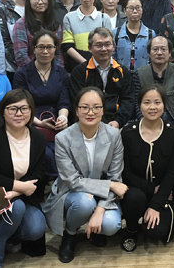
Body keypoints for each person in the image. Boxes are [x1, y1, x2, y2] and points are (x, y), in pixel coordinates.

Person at [43, 87, 125, 262]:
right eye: (85, 107)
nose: (90, 112)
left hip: (102, 194)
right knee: (84, 203)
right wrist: (110, 185)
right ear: (76, 110)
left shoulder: (114, 135)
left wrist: (100, 210)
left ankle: (95, 229)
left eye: (96, 107)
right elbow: (73, 181)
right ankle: (70, 234)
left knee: (111, 225)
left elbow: (115, 177)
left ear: (103, 110)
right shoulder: (63, 138)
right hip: (72, 192)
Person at [0, 89, 47, 268]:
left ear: (31, 111)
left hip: (21, 194)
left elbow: (38, 174)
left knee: (36, 228)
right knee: (15, 208)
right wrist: (20, 187)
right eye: (13, 109)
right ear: (3, 112)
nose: (19, 114)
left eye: (24, 109)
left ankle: (5, 235)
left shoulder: (38, 137)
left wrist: (15, 192)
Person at [120, 85, 174, 251]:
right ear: (139, 105)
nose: (152, 107)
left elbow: (172, 172)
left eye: (157, 102)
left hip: (163, 194)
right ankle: (131, 230)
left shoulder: (173, 133)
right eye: (147, 102)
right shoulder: (128, 133)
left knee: (156, 232)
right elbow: (125, 172)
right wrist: (150, 188)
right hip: (137, 192)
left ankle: (161, 220)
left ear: (164, 105)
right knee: (133, 197)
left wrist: (156, 204)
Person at [13, 30, 71, 179]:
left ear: (55, 49)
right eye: (41, 47)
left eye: (49, 47)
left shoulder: (62, 73)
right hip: (29, 121)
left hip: (56, 121)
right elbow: (19, 105)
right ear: (34, 49)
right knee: (44, 153)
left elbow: (64, 101)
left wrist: (63, 118)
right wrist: (39, 123)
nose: (45, 51)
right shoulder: (22, 74)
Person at [69, 27, 134, 128]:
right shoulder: (80, 72)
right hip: (87, 123)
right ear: (90, 48)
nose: (104, 49)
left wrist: (117, 121)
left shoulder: (123, 71)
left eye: (107, 44)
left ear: (113, 46)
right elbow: (77, 102)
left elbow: (128, 101)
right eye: (99, 45)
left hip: (116, 124)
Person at [133, 36, 174, 125]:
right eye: (155, 49)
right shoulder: (139, 74)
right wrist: (145, 124)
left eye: (163, 49)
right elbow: (137, 104)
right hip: (148, 121)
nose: (159, 53)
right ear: (149, 53)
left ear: (170, 53)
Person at [61, 0, 110, 72]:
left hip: (100, 66)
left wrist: (95, 64)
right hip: (76, 67)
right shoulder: (69, 17)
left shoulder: (104, 18)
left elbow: (108, 45)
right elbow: (67, 46)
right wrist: (86, 63)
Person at [12, 0, 64, 68]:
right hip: (28, 72)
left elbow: (59, 54)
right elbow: (21, 56)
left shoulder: (55, 25)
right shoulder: (21, 24)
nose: (40, 2)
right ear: (29, 1)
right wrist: (38, 73)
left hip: (53, 72)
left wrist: (55, 72)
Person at [0, 0, 34, 80]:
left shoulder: (38, 7)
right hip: (13, 68)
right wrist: (23, 62)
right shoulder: (4, 9)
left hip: (39, 65)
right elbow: (4, 41)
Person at [112, 0, 154, 72]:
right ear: (125, 10)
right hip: (121, 75)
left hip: (143, 75)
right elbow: (112, 56)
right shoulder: (116, 33)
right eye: (131, 8)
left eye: (138, 8)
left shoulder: (150, 33)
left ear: (142, 10)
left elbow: (152, 58)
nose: (135, 11)